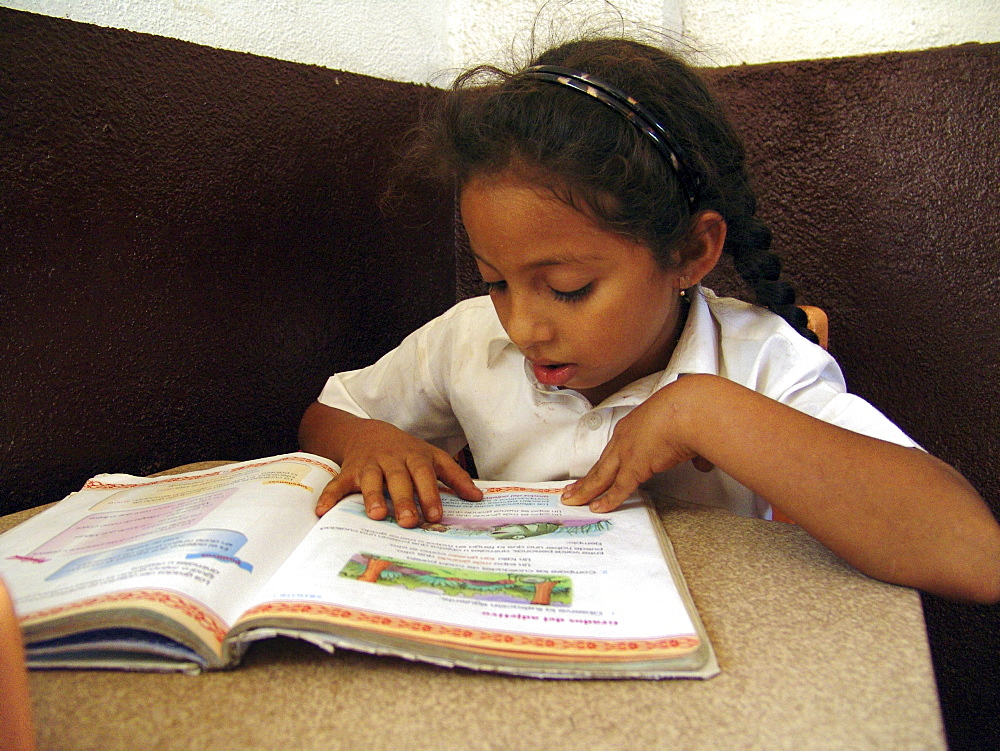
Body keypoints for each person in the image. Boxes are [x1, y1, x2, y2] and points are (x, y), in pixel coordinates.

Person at [299, 36, 1000, 604]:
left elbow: (972, 552)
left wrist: (705, 412)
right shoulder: (469, 339)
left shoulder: (756, 360)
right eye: (496, 282)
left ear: (691, 252)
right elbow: (329, 412)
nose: (523, 327)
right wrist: (369, 441)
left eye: (569, 289)